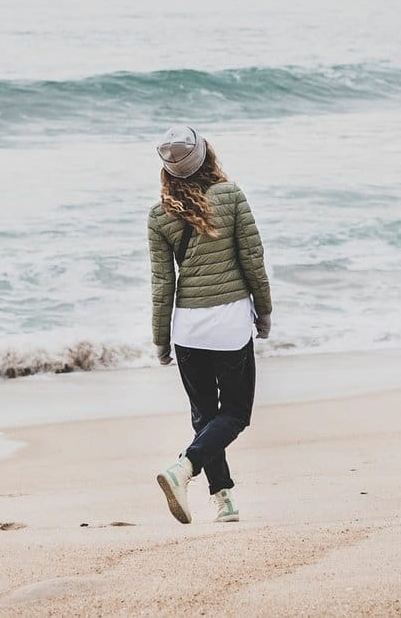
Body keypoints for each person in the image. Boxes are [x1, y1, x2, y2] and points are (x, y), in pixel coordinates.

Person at [148, 124, 272, 524]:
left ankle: (224, 500)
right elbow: (253, 258)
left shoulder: (158, 215)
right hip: (230, 323)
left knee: (205, 415)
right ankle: (185, 467)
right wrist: (265, 310)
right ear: (207, 155)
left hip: (188, 329)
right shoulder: (232, 196)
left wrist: (161, 339)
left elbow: (162, 282)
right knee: (234, 414)